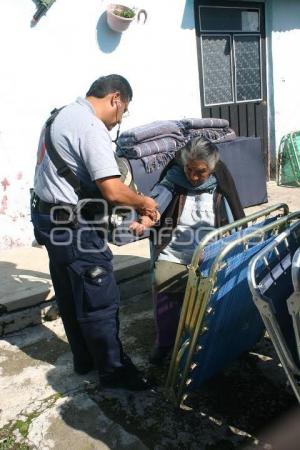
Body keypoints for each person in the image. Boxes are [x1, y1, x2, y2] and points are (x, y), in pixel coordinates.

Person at [31, 74, 158, 390]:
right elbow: (113, 190)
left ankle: (84, 359)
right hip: (72, 227)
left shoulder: (59, 116)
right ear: (115, 98)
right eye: (123, 110)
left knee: (70, 290)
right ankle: (113, 371)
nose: (119, 120)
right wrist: (144, 202)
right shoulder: (90, 127)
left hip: (46, 217)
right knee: (98, 295)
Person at [130, 137, 245, 364]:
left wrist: (227, 247)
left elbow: (234, 220)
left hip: (211, 252)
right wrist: (145, 220)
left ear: (212, 169)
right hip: (175, 251)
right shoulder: (173, 179)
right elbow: (157, 202)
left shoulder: (221, 182)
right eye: (188, 169)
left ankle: (205, 340)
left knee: (214, 293)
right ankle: (166, 342)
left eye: (200, 172)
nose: (192, 177)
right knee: (164, 281)